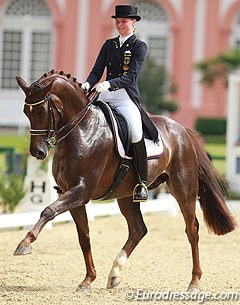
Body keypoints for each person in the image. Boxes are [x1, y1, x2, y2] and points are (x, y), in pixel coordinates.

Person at [82, 5, 158, 202]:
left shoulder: (139, 46)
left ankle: (141, 182)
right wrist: (88, 83)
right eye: (117, 21)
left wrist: (108, 83)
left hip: (125, 96)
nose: (119, 24)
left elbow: (131, 76)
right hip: (105, 95)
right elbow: (97, 70)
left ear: (133, 23)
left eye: (124, 21)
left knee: (134, 132)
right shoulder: (109, 45)